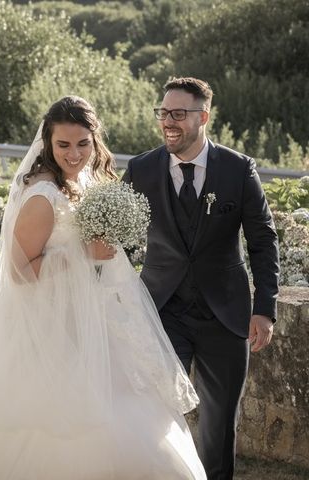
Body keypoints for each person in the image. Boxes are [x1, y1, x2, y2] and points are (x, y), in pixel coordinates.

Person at [0, 96, 206, 479]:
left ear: (95, 141)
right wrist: (83, 253)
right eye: (63, 144)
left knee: (126, 411)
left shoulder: (84, 181)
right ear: (48, 143)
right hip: (53, 328)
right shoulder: (42, 196)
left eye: (83, 143)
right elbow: (19, 271)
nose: (74, 153)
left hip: (97, 319)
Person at [123, 77, 279, 480]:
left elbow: (263, 241)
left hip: (225, 317)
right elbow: (117, 241)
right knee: (155, 416)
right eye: (163, 113)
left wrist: (265, 309)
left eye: (178, 113)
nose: (168, 122)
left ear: (203, 117)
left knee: (218, 424)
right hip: (160, 312)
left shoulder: (238, 170)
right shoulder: (140, 169)